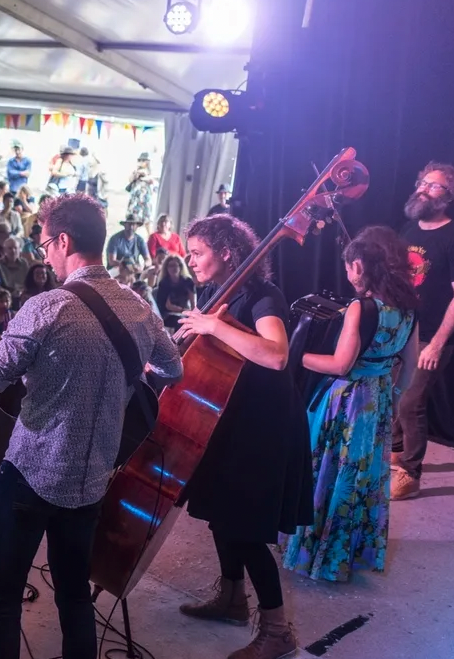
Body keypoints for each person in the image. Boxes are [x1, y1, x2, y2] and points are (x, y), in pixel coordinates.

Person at [0, 193, 182, 659]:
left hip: (30, 476)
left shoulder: (47, 308)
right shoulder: (139, 308)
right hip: (91, 481)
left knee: (1, 597)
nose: (44, 255)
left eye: (43, 246)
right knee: (75, 595)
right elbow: (172, 370)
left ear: (63, 240)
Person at [176, 214, 312, 659]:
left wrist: (214, 326)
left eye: (197, 252)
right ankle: (232, 598)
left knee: (246, 528)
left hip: (264, 427)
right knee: (220, 513)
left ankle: (277, 631)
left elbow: (275, 355)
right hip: (230, 419)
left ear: (228, 252)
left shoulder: (262, 296)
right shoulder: (217, 293)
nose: (190, 260)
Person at [281, 226, 418, 582]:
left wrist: (296, 356)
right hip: (379, 400)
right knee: (364, 478)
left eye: (349, 267)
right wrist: (390, 398)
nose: (348, 274)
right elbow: (411, 367)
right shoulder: (408, 309)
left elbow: (340, 365)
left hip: (348, 399)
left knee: (328, 471)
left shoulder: (361, 307)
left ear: (359, 265)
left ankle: (318, 552)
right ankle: (351, 553)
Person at [392, 162, 454, 500]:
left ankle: (410, 474)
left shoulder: (451, 235)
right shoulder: (408, 230)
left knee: (412, 402)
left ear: (448, 197)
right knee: (396, 395)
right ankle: (398, 449)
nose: (423, 189)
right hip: (403, 331)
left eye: (434, 186)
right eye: (422, 182)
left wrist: (437, 344)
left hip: (434, 335)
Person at [154, 254, 196, 329]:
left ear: (180, 267)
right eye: (171, 266)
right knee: (180, 321)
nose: (174, 268)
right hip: (167, 315)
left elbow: (193, 302)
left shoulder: (188, 281)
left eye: (176, 265)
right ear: (166, 268)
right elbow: (168, 306)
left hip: (185, 312)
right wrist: (184, 310)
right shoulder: (164, 283)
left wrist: (192, 313)